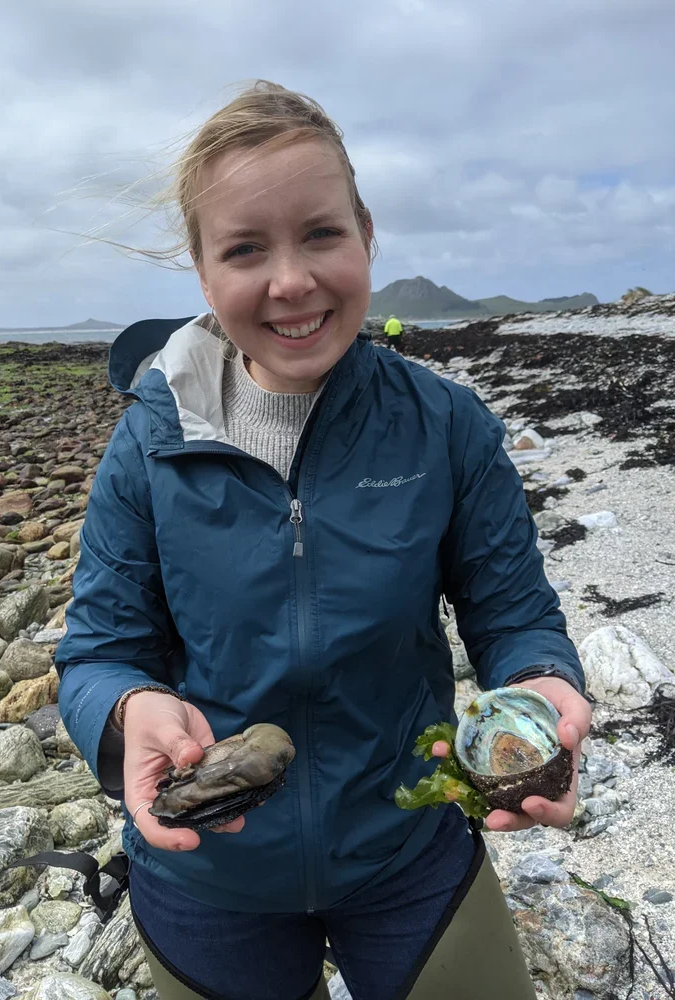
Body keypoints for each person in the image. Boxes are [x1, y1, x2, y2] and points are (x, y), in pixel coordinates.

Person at [56, 80, 590, 1000]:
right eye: (245, 249)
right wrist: (128, 708)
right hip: (207, 873)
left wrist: (543, 685)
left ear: (366, 236)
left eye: (321, 234)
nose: (292, 281)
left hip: (406, 848)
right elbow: (99, 651)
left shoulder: (447, 427)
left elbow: (515, 616)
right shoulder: (149, 441)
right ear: (203, 274)